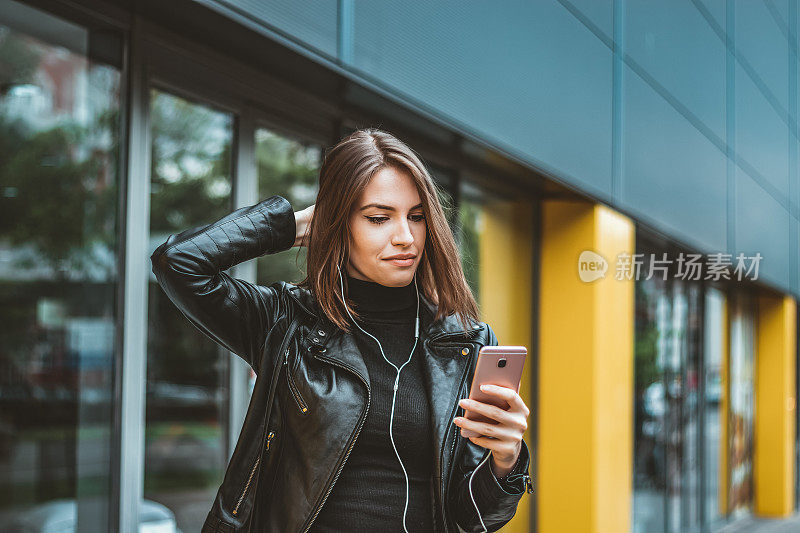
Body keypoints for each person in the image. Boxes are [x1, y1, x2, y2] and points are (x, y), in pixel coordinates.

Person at [151, 128, 533, 533]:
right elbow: (179, 263)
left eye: (417, 216)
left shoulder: (464, 343)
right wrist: (288, 227)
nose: (405, 237)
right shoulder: (286, 323)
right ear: (338, 222)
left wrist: (505, 459)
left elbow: (475, 520)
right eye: (378, 218)